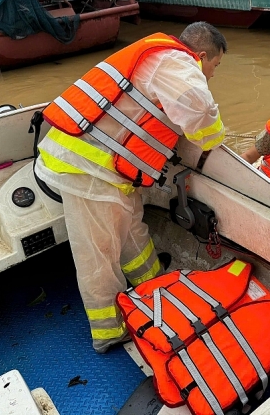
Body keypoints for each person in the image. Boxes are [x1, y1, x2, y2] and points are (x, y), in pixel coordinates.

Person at [35, 22, 227, 353]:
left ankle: (152, 285)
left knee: (131, 229)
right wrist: (216, 139)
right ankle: (109, 330)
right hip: (88, 170)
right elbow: (199, 113)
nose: (212, 74)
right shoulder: (176, 62)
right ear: (202, 55)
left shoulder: (154, 54)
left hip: (106, 170)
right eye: (215, 66)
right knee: (99, 253)